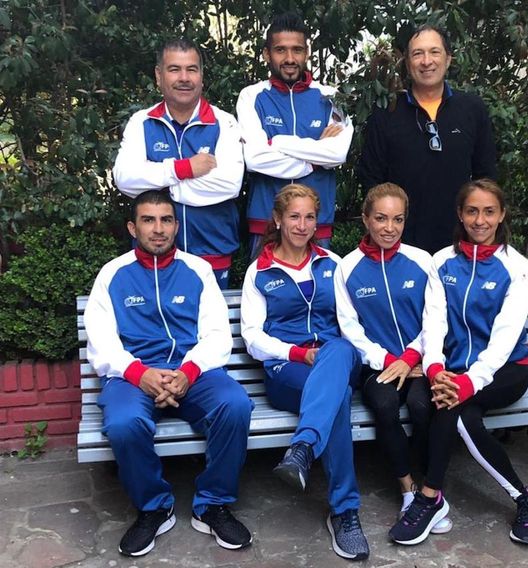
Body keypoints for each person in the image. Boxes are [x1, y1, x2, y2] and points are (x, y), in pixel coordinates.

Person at [84, 190, 253, 557]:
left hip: (193, 372)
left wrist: (188, 371)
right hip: (134, 376)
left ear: (176, 226)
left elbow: (217, 334)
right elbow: (100, 341)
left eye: (165, 220)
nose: (157, 229)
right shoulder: (112, 274)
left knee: (236, 404)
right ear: (133, 227)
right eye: (148, 220)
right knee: (124, 423)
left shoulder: (198, 270)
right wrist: (138, 373)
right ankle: (154, 508)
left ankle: (212, 505)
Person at [388, 178, 528, 546]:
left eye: (489, 211)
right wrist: (437, 370)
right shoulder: (442, 262)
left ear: (502, 214)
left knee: (452, 408)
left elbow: (505, 338)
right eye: (472, 210)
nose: (480, 220)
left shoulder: (517, 268)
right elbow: (434, 323)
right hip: (452, 372)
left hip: (505, 372)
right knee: (462, 416)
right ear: (460, 213)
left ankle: (429, 497)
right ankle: (525, 500)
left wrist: (467, 383)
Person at [240, 184, 369, 560]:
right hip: (287, 371)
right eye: (294, 216)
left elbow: (351, 323)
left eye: (309, 216)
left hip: (337, 358)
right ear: (278, 220)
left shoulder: (334, 263)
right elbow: (252, 338)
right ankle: (345, 513)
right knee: (339, 397)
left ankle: (302, 449)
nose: (302, 224)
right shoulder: (259, 272)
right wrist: (298, 353)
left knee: (340, 347)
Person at [334, 182, 451, 534]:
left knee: (421, 406)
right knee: (384, 406)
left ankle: (433, 491)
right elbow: (349, 329)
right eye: (381, 218)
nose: (390, 227)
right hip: (378, 366)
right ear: (366, 219)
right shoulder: (348, 268)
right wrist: (387, 360)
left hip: (420, 362)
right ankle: (408, 491)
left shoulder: (421, 260)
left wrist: (414, 355)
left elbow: (435, 316)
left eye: (397, 219)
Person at [113, 39, 243, 289]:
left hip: (212, 251)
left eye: (191, 69)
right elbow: (125, 179)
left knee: (209, 326)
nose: (184, 77)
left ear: (201, 77)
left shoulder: (223, 123)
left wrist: (160, 184)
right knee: (155, 326)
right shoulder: (142, 122)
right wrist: (184, 169)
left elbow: (229, 184)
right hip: (153, 255)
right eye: (174, 69)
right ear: (159, 76)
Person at [358, 24, 497, 254]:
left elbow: (487, 178)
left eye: (434, 52)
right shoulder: (387, 113)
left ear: (448, 59)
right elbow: (371, 178)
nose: (426, 61)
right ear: (407, 62)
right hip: (401, 246)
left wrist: (477, 225)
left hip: (460, 243)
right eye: (417, 53)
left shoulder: (472, 109)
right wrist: (387, 227)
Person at [236, 12, 353, 256]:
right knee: (264, 291)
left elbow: (337, 153)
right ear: (267, 54)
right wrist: (315, 158)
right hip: (265, 220)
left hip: (316, 224)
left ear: (307, 53)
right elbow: (256, 159)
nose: (290, 58)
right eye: (280, 50)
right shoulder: (251, 96)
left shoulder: (331, 97)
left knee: (318, 293)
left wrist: (277, 142)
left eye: (297, 50)